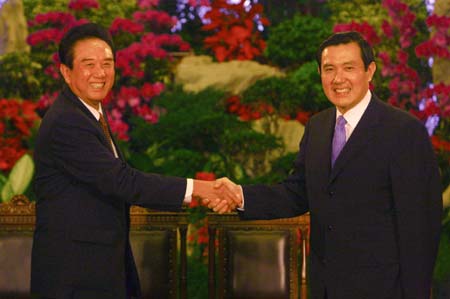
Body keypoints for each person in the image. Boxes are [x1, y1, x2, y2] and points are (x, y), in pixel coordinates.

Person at [211, 31, 443, 299]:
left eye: (349, 68)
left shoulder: (403, 131)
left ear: (370, 71)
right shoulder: (318, 127)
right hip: (325, 288)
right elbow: (297, 193)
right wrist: (240, 195)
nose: (338, 79)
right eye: (329, 69)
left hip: (382, 288)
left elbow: (420, 226)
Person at [31, 23, 239, 299]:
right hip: (74, 277)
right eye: (88, 64)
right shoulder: (67, 122)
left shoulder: (89, 115)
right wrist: (202, 189)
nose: (100, 73)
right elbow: (123, 181)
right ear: (66, 73)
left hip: (99, 268)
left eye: (107, 63)